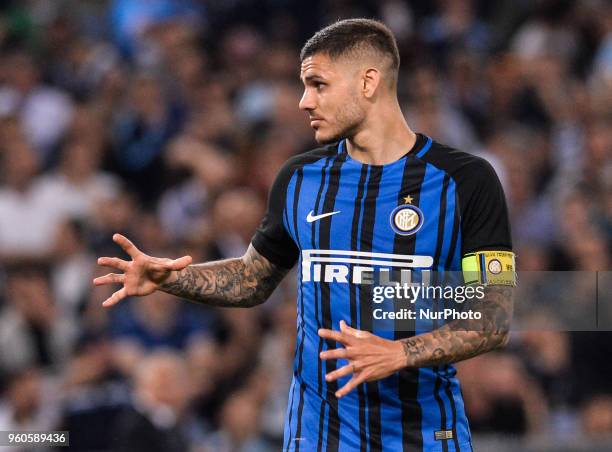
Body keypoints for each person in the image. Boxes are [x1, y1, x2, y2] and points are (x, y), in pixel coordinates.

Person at [95, 18, 515, 452]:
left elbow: (494, 318)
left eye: (318, 85)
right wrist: (170, 279)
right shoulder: (300, 179)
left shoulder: (466, 182)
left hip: (423, 435)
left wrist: (400, 354)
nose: (303, 101)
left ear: (368, 82)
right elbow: (250, 279)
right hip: (318, 436)